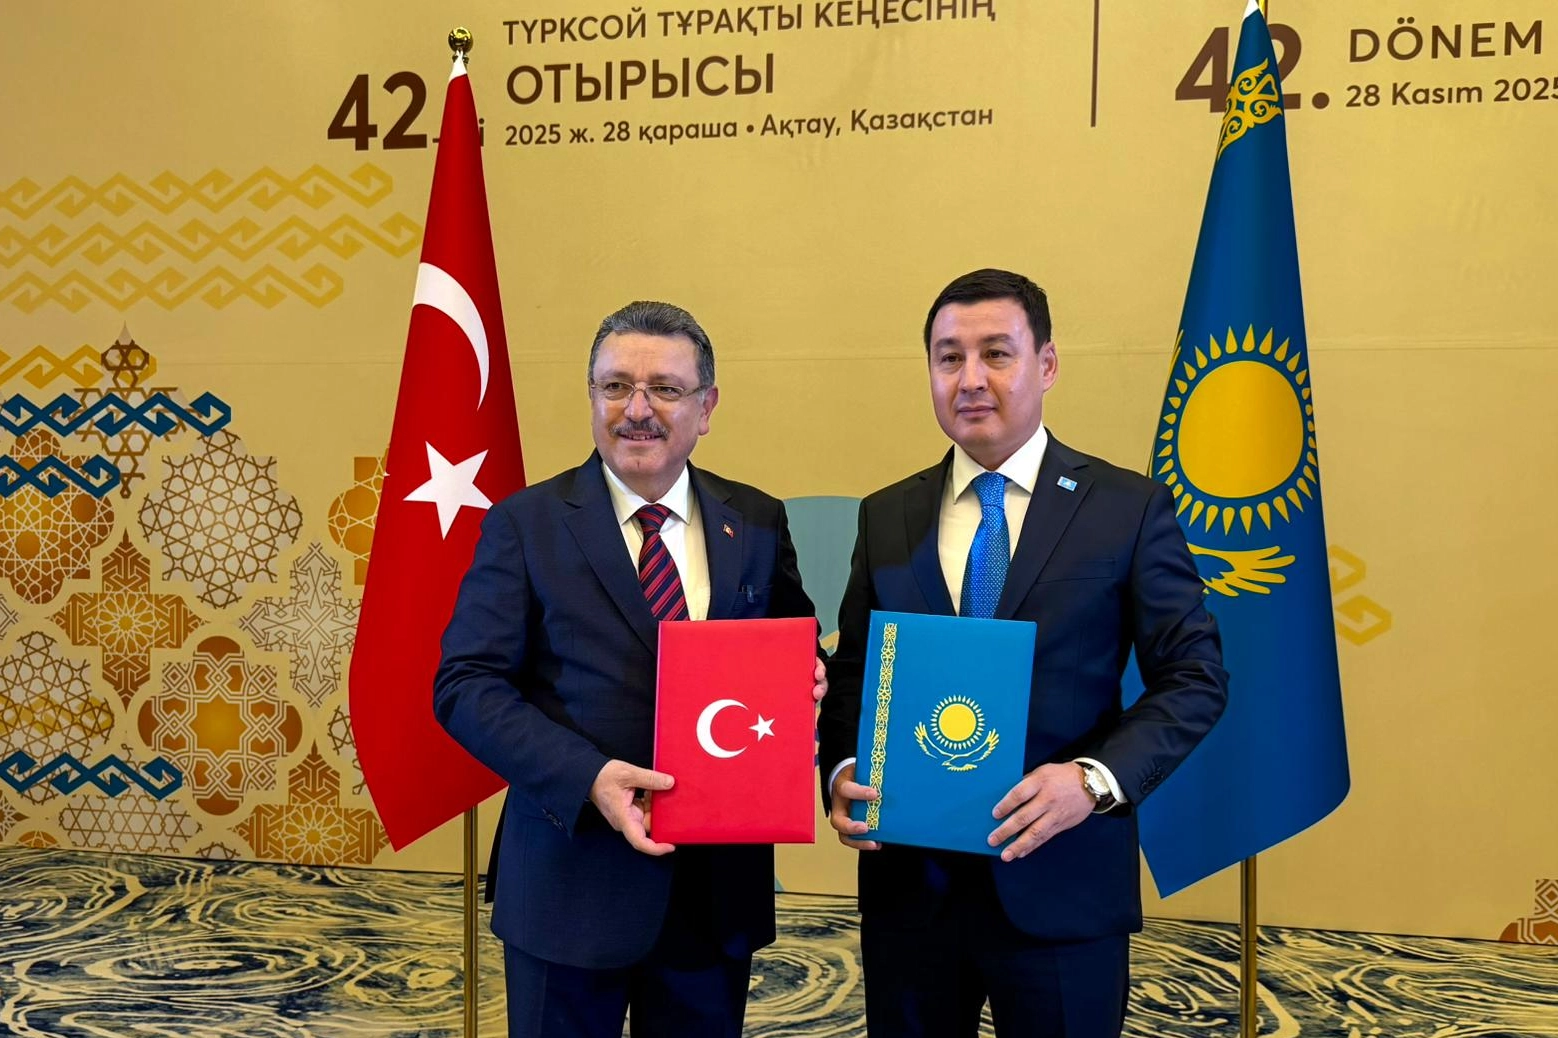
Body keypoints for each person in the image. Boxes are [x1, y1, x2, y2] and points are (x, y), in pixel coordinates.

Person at [818, 269, 1229, 1037]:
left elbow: (1195, 677)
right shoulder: (886, 514)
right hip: (912, 895)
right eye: (949, 357)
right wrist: (843, 768)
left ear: (1047, 364)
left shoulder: (1126, 509)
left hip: (1063, 885)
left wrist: (1093, 781)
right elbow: (854, 673)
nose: (970, 378)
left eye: (996, 354)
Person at [434, 300, 825, 1038]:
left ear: (706, 407)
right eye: (616, 386)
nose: (637, 410)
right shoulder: (525, 523)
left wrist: (812, 674)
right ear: (592, 396)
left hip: (715, 894)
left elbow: (795, 642)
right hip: (569, 880)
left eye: (665, 389)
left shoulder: (757, 520)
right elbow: (466, 686)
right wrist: (588, 777)